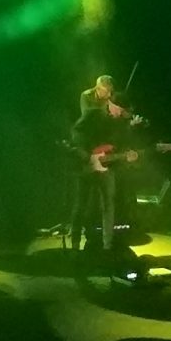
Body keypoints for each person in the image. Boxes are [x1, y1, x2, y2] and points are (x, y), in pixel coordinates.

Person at [69, 75, 142, 255]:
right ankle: (75, 244)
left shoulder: (116, 117)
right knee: (81, 204)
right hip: (87, 160)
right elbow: (81, 126)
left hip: (106, 162)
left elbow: (119, 139)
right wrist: (87, 155)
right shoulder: (90, 108)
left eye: (110, 92)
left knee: (108, 204)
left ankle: (107, 246)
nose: (120, 113)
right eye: (119, 110)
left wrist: (130, 128)